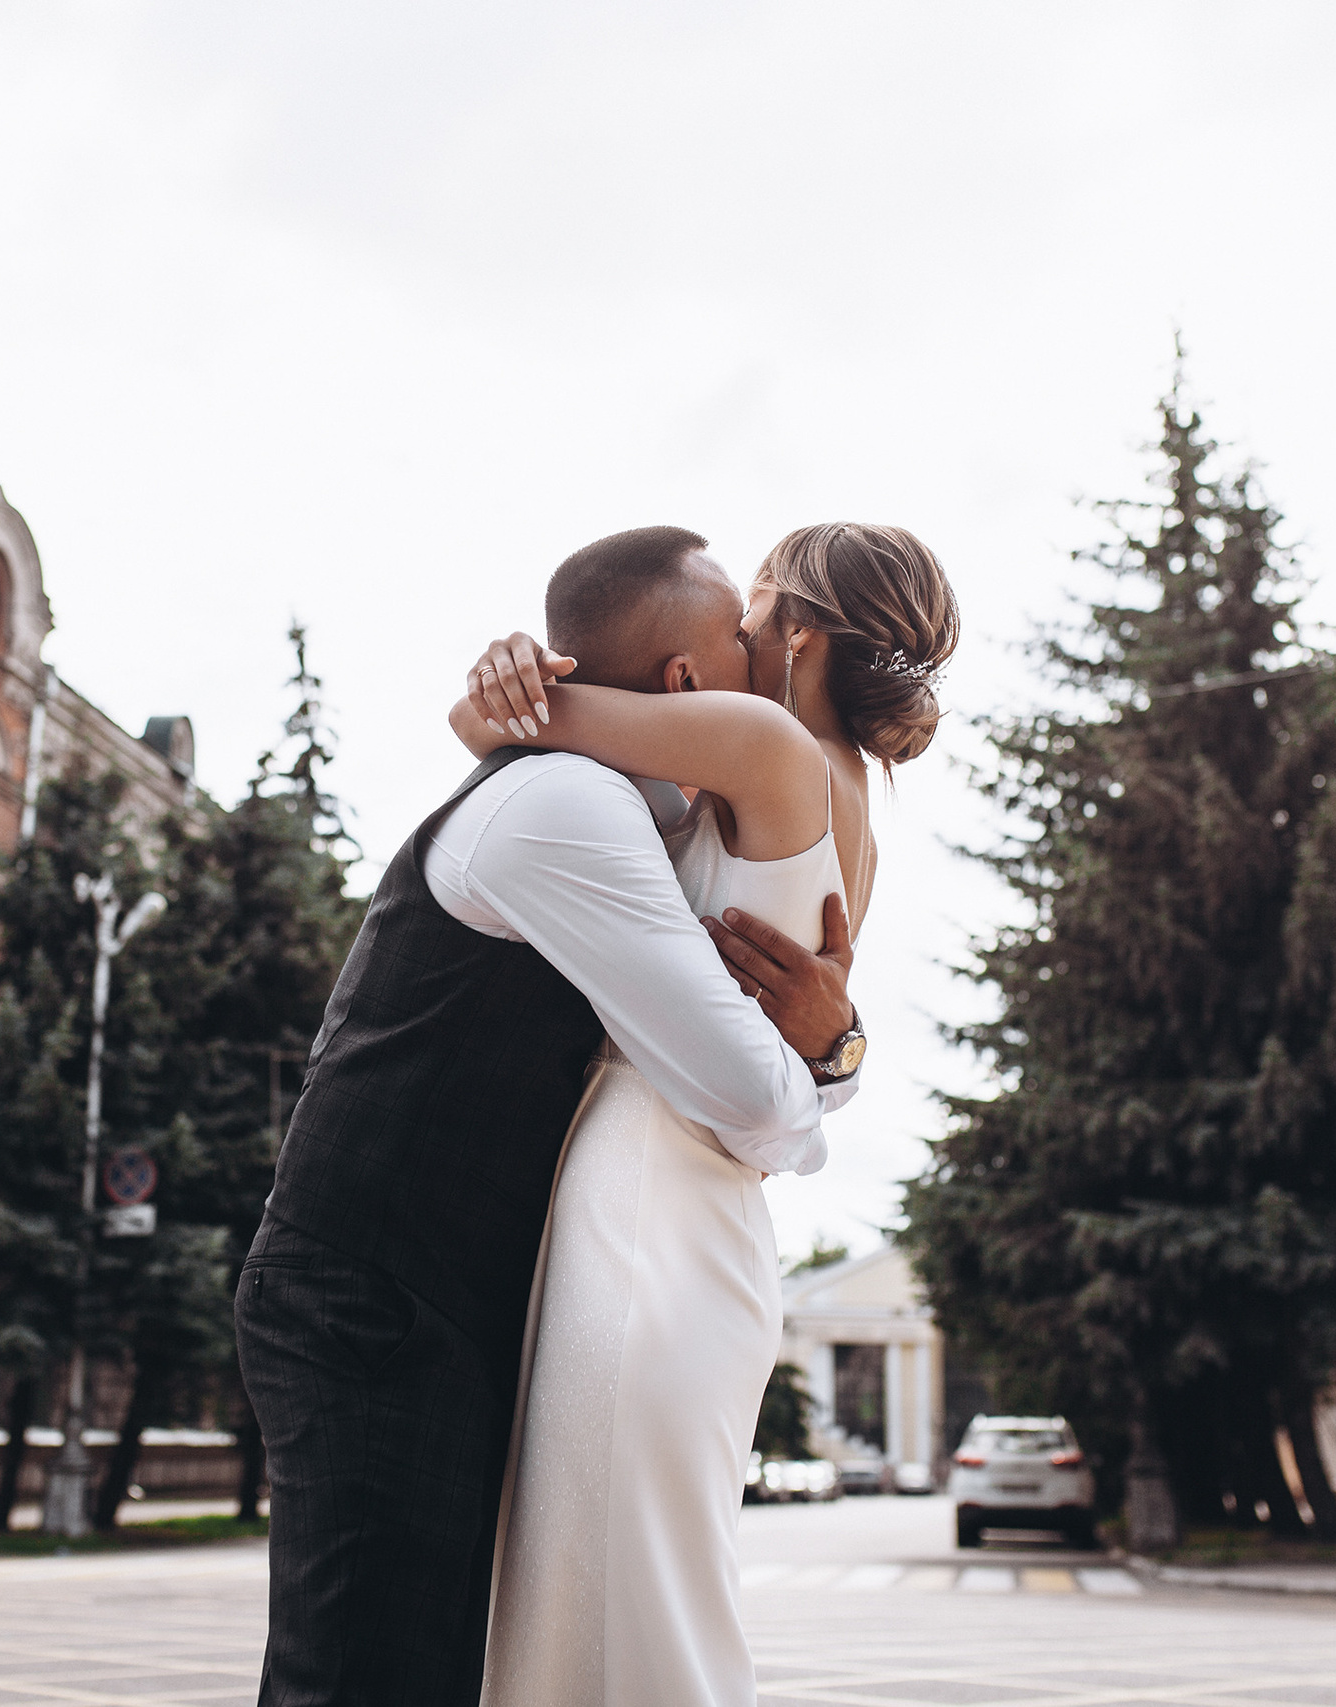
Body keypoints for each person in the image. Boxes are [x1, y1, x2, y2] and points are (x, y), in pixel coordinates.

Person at [234, 525, 865, 1707]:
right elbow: (746, 1098)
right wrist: (827, 1061)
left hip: (441, 1295)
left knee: (421, 1674)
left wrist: (832, 1042)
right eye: (737, 636)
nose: (756, 660)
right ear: (685, 682)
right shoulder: (566, 811)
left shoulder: (642, 816)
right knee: (358, 1681)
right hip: (369, 1295)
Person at [453, 521, 958, 1707]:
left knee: (599, 1600)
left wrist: (510, 674)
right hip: (718, 1214)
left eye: (751, 613)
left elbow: (511, 728)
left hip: (638, 1188)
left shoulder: (756, 739)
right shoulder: (849, 809)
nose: (725, 636)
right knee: (646, 1600)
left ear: (802, 637)